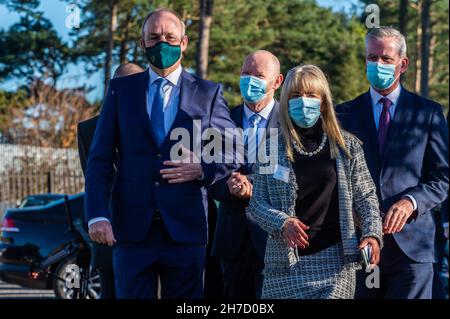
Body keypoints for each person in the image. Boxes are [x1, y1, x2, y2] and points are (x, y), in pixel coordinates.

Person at [84, 8, 240, 299]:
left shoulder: (208, 93)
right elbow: (100, 159)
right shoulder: (120, 90)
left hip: (186, 229)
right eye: (154, 38)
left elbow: (233, 148)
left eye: (170, 37)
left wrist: (203, 169)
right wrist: (96, 215)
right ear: (142, 44)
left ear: (184, 43)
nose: (162, 43)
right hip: (130, 232)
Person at [248, 64, 383, 299]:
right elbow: (257, 203)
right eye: (296, 96)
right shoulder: (270, 148)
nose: (303, 102)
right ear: (286, 101)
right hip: (284, 267)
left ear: (323, 101)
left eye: (311, 95)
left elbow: (366, 196)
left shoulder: (347, 147)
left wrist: (372, 234)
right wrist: (283, 222)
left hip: (336, 264)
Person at [336, 27, 449, 299]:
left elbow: (443, 177)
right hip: (359, 245)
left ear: (403, 63)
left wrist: (412, 201)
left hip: (413, 247)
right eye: (371, 57)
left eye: (386, 58)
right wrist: (350, 207)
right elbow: (333, 174)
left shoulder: (428, 112)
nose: (378, 64)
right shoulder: (343, 114)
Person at [210, 50, 283, 299]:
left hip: (276, 240)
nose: (249, 80)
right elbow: (211, 177)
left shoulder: (290, 124)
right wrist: (228, 186)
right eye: (245, 74)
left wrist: (252, 184)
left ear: (277, 82)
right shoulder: (222, 121)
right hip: (233, 240)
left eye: (258, 75)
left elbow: (294, 177)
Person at [77, 62, 144, 299]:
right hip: (110, 229)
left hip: (150, 233)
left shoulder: (156, 121)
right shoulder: (89, 129)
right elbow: (95, 177)